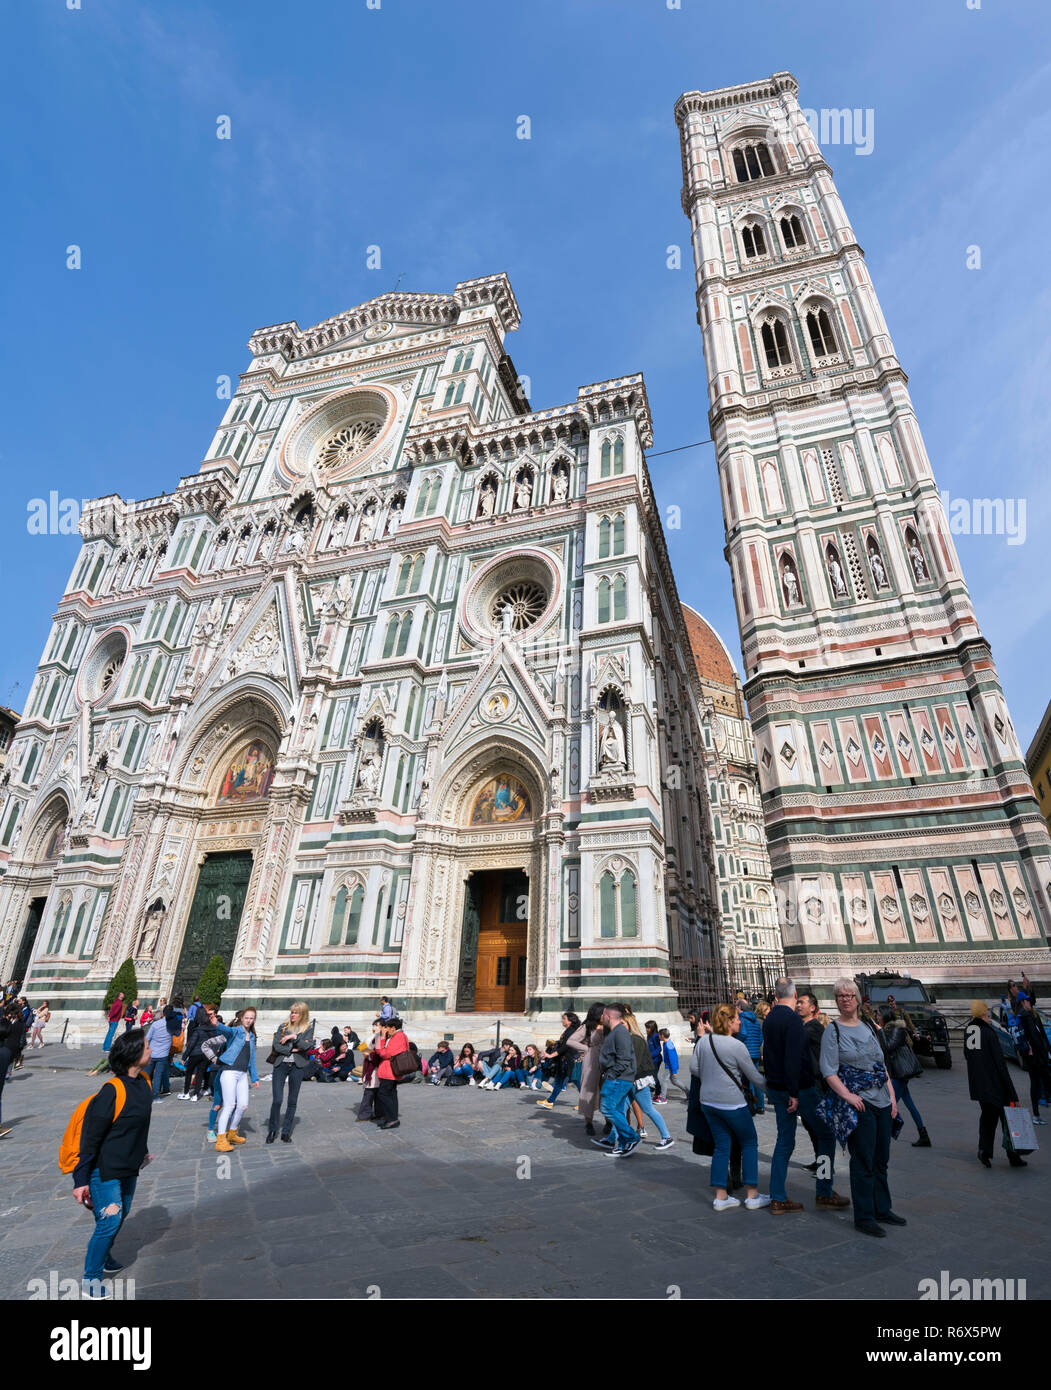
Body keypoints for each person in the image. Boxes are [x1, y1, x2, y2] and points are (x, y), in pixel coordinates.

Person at [71, 1028, 153, 1299]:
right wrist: (80, 1180)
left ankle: (104, 1258)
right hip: (103, 1168)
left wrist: (143, 1152)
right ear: (134, 1054)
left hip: (129, 1165)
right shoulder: (111, 1091)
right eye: (146, 1046)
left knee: (123, 1214)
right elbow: (90, 1139)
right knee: (110, 1220)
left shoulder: (145, 1082)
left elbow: (138, 1126)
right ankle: (90, 1279)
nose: (150, 1049)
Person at [819, 977, 903, 1237]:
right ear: (837, 1000)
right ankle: (865, 1216)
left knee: (881, 1159)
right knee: (863, 1160)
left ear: (857, 999)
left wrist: (891, 1099)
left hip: (881, 1100)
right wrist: (848, 1097)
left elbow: (881, 1065)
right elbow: (828, 1070)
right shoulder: (832, 1031)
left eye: (849, 995)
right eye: (840, 996)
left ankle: (882, 1208)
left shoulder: (868, 1026)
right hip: (859, 1103)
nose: (845, 999)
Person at [763, 978, 848, 1214]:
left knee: (784, 1141)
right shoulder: (791, 1020)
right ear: (794, 993)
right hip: (798, 1090)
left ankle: (777, 1196)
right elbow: (793, 1059)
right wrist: (794, 1092)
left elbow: (769, 1056)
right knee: (826, 1136)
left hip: (778, 1089)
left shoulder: (769, 1018)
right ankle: (824, 1190)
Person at [691, 1003, 769, 1210]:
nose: (740, 1021)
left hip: (708, 1102)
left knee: (722, 1145)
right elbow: (754, 1077)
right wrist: (775, 1093)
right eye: (736, 1018)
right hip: (732, 1103)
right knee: (749, 1141)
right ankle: (752, 1195)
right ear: (728, 1021)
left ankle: (721, 1197)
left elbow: (694, 1069)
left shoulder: (703, 1041)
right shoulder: (736, 1046)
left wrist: (711, 1076)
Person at [965, 1001, 1028, 1168]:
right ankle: (1013, 1156)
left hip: (979, 1085)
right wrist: (1012, 1092)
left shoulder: (970, 1030)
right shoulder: (989, 1033)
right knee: (1008, 1119)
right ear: (984, 1014)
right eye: (986, 1012)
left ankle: (983, 1151)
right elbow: (1001, 1065)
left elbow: (968, 1056)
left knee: (987, 1118)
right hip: (996, 1085)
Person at [877, 1003, 931, 1147]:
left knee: (889, 1105)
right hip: (897, 1072)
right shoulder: (888, 1030)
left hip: (900, 1073)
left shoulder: (897, 1029)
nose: (876, 1016)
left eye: (878, 1014)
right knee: (910, 1105)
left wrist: (880, 1032)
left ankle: (883, 1138)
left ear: (885, 1016)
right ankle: (923, 1134)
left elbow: (888, 1047)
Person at [623, 1008, 674, 1150]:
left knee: (648, 1109)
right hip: (633, 1080)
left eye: (622, 1023)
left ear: (628, 1024)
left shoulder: (636, 1039)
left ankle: (666, 1136)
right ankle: (612, 1139)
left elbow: (635, 1062)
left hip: (637, 1080)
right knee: (620, 1110)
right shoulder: (632, 1038)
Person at [592, 1005, 640, 1157]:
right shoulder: (616, 1032)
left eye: (603, 1014)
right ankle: (622, 1143)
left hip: (618, 1078)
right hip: (618, 1077)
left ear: (609, 1016)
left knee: (607, 1109)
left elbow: (624, 1059)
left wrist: (610, 1075)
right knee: (617, 1110)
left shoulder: (620, 1032)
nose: (601, 1017)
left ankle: (631, 1138)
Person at [213, 1007, 260, 1151]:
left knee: (243, 1105)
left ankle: (232, 1133)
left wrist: (255, 1077)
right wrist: (217, 1024)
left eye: (251, 1018)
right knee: (229, 1106)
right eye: (247, 1017)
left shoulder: (251, 1036)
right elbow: (227, 1031)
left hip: (242, 1074)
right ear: (242, 1018)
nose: (249, 1020)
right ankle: (220, 1140)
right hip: (229, 1072)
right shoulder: (237, 1031)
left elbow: (251, 1059)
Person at [268, 1002, 315, 1143]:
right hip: (281, 1064)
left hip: (297, 1066)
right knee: (277, 1100)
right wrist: (292, 1050)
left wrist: (292, 1037)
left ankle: (286, 1132)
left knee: (292, 1100)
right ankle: (272, 1130)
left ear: (302, 1014)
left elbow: (307, 1046)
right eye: (292, 1012)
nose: (293, 1015)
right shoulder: (283, 1027)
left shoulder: (308, 1028)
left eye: (296, 1012)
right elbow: (276, 1045)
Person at [537, 1012, 583, 1108]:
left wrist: (550, 1055)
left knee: (576, 1081)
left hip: (570, 1060)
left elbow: (565, 1047)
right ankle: (550, 1101)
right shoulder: (568, 1030)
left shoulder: (571, 1031)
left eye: (564, 1019)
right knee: (559, 1080)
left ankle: (586, 1103)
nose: (562, 1020)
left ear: (570, 1021)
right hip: (564, 1060)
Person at [1017, 996, 1051, 1124]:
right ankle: (1036, 1115)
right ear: (1022, 1002)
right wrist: (1044, 1051)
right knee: (1037, 1083)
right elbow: (1034, 1037)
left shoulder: (1032, 1015)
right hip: (1034, 1058)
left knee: (1038, 1083)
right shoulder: (1025, 1016)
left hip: (1037, 1056)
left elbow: (1041, 1034)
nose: (1030, 1002)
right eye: (1027, 1001)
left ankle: (1037, 1114)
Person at [373, 1015, 409, 1129]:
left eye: (387, 1027)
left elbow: (384, 1053)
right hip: (388, 1070)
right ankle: (392, 1118)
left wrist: (381, 1037)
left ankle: (392, 1119)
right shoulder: (397, 1036)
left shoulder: (398, 1037)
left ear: (393, 1028)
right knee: (391, 1094)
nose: (385, 1029)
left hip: (390, 1071)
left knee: (383, 1094)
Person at [180, 1003, 220, 1101]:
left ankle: (186, 1093)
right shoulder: (213, 1030)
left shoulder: (198, 1030)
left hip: (195, 1054)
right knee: (200, 1074)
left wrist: (184, 1057)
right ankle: (196, 1095)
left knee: (189, 1073)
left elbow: (191, 1045)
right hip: (205, 1055)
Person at [735, 1000, 765, 1114]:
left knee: (747, 1080)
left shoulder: (742, 1019)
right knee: (756, 1079)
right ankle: (761, 1106)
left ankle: (751, 1104)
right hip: (756, 1053)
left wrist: (735, 1042)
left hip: (746, 1052)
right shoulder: (756, 1021)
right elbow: (760, 1037)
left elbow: (742, 1034)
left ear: (739, 1008)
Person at [145, 1007, 174, 1098]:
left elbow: (147, 1038)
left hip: (152, 1053)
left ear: (163, 1014)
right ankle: (155, 1096)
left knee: (146, 1074)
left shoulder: (155, 1024)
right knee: (158, 1075)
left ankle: (143, 1092)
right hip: (163, 1055)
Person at [658, 1029, 687, 1097]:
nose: (658, 1036)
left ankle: (662, 1097)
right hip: (669, 1066)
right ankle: (689, 1093)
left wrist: (674, 1071)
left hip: (670, 1066)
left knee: (664, 1080)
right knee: (674, 1081)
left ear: (662, 1036)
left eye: (659, 1035)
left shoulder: (669, 1045)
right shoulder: (666, 1043)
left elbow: (673, 1059)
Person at [645, 1019, 664, 1101]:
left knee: (654, 1076)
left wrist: (650, 1055)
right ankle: (652, 1088)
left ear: (652, 1028)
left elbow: (659, 1049)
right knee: (650, 1075)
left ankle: (658, 1091)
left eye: (648, 1028)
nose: (646, 1030)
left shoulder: (655, 1036)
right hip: (650, 1060)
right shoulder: (649, 1036)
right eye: (646, 1028)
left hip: (656, 1060)